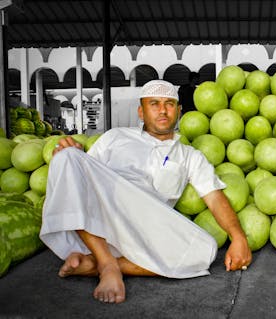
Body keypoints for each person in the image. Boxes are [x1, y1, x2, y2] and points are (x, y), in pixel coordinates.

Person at [40, 79, 252, 304]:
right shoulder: (115, 137)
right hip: (100, 219)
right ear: (141, 112)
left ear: (179, 111)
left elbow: (214, 197)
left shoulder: (190, 156)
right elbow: (83, 181)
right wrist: (73, 155)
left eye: (169, 104)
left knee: (205, 250)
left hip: (146, 227)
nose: (162, 110)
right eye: (154, 103)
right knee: (66, 156)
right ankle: (107, 264)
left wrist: (238, 238)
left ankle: (95, 264)